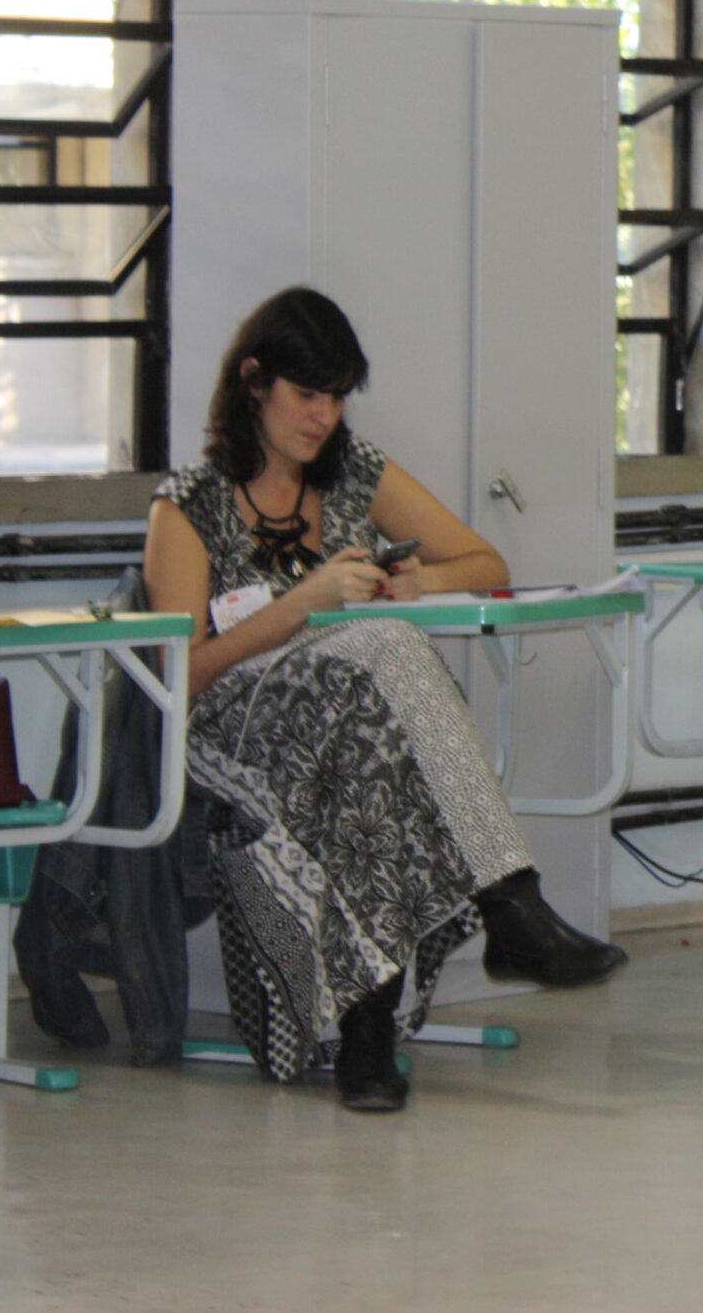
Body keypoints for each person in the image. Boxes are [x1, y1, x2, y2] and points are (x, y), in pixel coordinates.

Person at [145, 286, 626, 1113]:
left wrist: (416, 581)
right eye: (307, 394)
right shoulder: (185, 505)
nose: (323, 417)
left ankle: (369, 1036)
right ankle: (509, 902)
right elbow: (179, 676)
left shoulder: (355, 471)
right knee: (388, 656)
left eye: (336, 398)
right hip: (234, 727)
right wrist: (303, 606)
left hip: (351, 720)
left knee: (375, 731)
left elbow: (488, 565)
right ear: (254, 382)